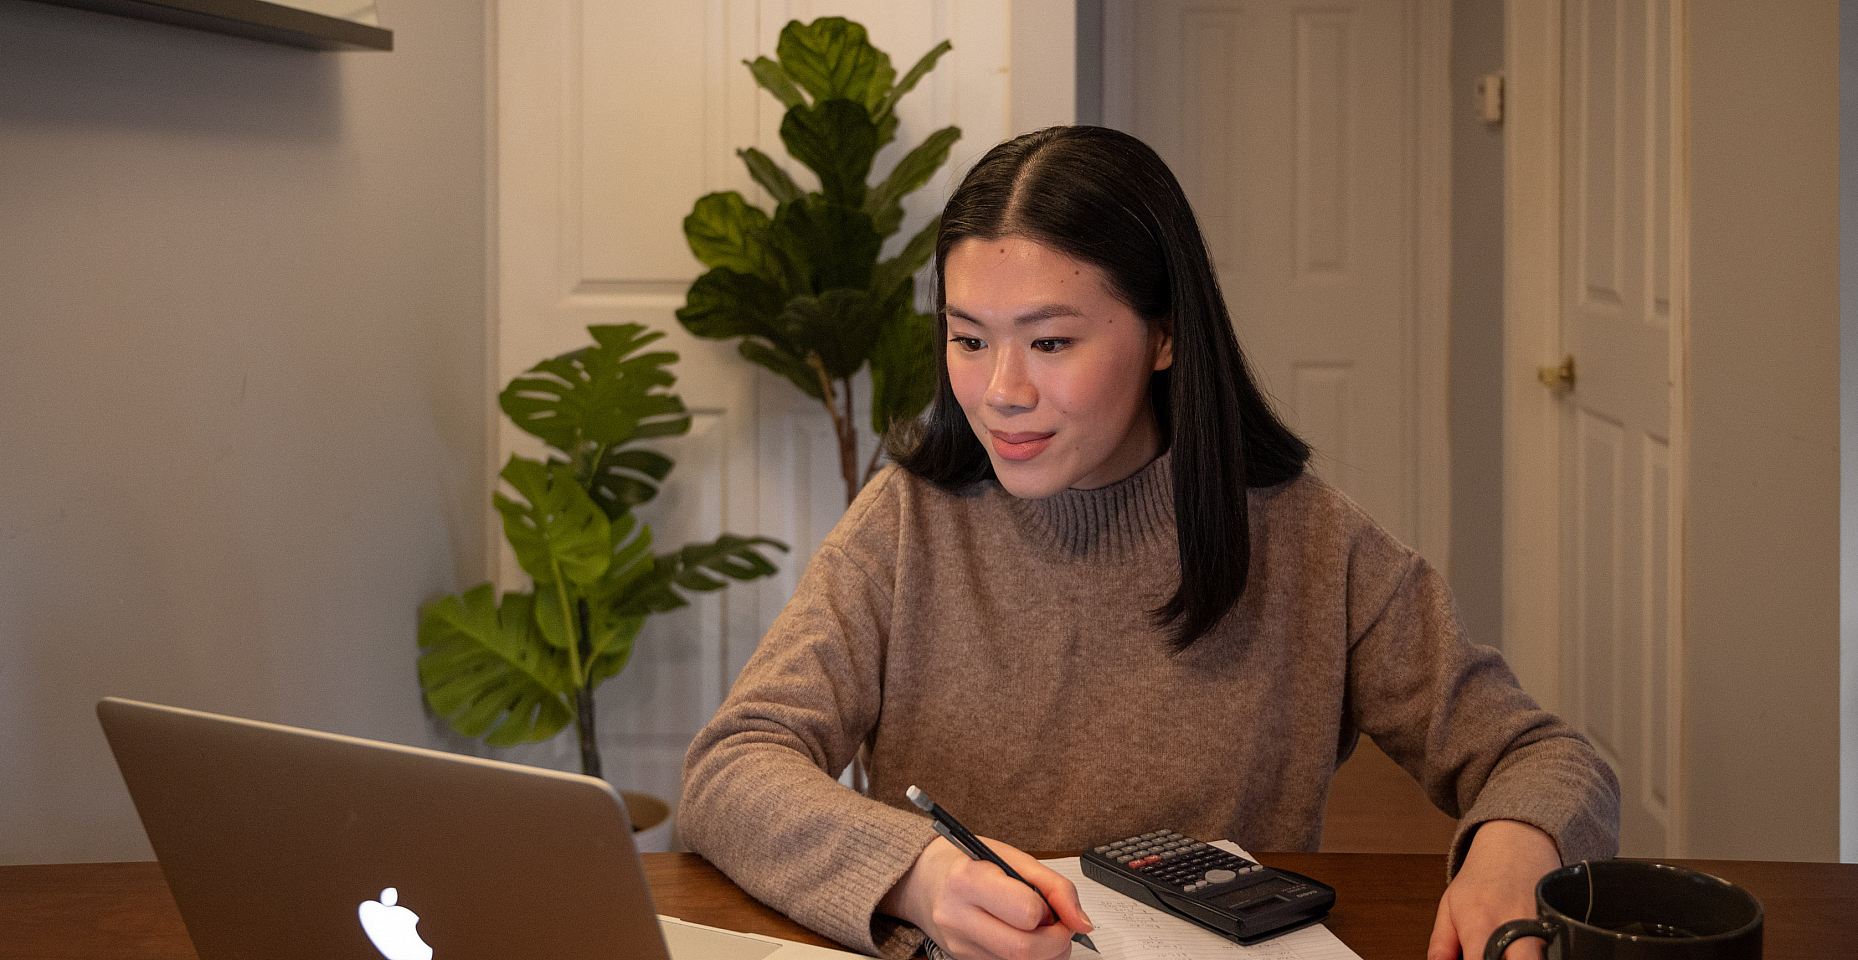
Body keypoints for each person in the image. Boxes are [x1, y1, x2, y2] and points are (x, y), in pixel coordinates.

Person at [676, 126, 1618, 960]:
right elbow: (731, 766)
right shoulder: (907, 522)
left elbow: (1544, 758)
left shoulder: (1310, 541)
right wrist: (915, 873)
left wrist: (1516, 843)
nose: (1000, 389)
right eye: (968, 338)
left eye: (1049, 344)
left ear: (1164, 335)